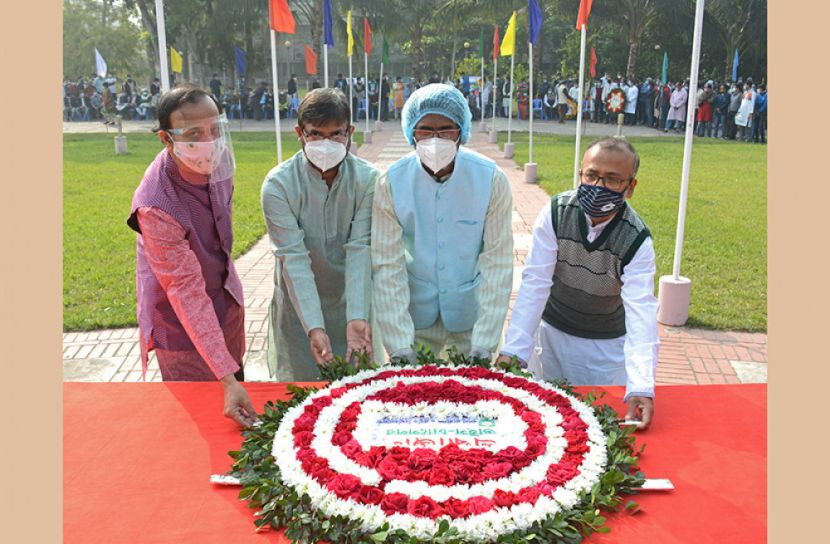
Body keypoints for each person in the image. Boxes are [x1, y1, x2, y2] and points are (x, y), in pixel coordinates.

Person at [497, 137, 658, 429]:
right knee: (541, 422)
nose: (598, 186)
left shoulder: (636, 240)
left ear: (630, 187)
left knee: (595, 426)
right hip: (552, 334)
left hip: (604, 347)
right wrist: (515, 350)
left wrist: (641, 385)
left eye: (612, 179)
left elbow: (641, 311)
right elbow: (535, 282)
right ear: (580, 174)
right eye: (592, 175)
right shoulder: (557, 212)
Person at [126, 84, 256, 427]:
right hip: (181, 326)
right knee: (202, 422)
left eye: (215, 129)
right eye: (195, 133)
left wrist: (232, 377)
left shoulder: (221, 156)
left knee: (238, 396)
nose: (210, 142)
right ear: (167, 140)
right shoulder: (155, 206)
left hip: (225, 301)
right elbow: (184, 291)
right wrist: (227, 380)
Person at [372, 84, 513, 363]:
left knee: (475, 399)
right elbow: (387, 264)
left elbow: (498, 262)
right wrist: (399, 345)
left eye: (446, 130)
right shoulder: (392, 182)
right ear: (411, 131)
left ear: (462, 131)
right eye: (425, 130)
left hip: (471, 317)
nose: (435, 140)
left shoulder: (490, 180)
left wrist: (485, 343)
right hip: (414, 319)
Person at [261, 88, 379, 380]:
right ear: (299, 133)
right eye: (316, 134)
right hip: (298, 312)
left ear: (350, 132)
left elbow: (360, 250)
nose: (326, 144)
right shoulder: (279, 186)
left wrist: (357, 318)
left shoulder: (368, 180)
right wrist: (314, 326)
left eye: (336, 134)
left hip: (351, 303)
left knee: (355, 393)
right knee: (299, 395)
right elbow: (294, 258)